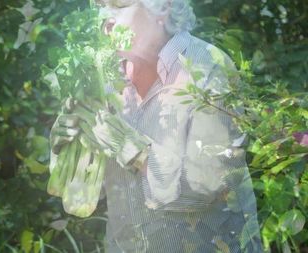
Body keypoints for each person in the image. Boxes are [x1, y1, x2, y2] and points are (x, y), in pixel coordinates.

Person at [50, 0, 264, 252]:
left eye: (118, 6)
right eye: (99, 7)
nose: (104, 19)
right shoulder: (102, 76)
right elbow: (87, 198)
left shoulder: (207, 66)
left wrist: (131, 149)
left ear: (163, 7)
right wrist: (66, 148)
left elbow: (204, 188)